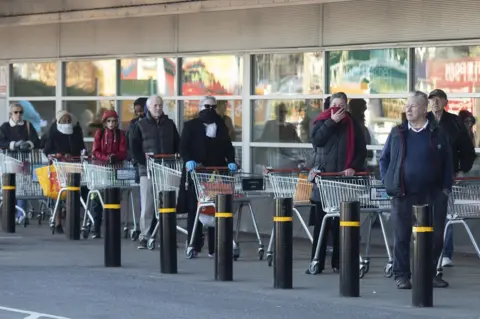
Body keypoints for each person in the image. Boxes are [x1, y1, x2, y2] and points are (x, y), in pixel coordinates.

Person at [380, 91, 453, 289]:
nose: (408, 109)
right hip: (403, 193)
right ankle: (402, 275)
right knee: (402, 236)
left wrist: (445, 189)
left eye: (413, 105)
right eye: (407, 105)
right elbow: (384, 159)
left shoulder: (437, 132)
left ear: (424, 108)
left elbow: (448, 162)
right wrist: (388, 182)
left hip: (434, 194)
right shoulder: (397, 132)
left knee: (436, 237)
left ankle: (428, 274)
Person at [307, 92, 367, 274]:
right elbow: (316, 141)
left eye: (342, 105)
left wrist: (354, 167)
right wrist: (331, 122)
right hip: (324, 180)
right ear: (329, 106)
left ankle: (339, 262)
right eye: (335, 105)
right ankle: (316, 261)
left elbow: (361, 150)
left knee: (342, 223)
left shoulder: (353, 125)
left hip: (343, 181)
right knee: (321, 223)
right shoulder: (321, 121)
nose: (338, 109)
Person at [179, 96, 237, 258]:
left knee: (214, 209)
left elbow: (228, 147)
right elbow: (183, 147)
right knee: (194, 209)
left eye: (213, 106)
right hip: (196, 172)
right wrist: (189, 160)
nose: (210, 109)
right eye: (207, 106)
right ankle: (194, 245)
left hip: (216, 172)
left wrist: (231, 161)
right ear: (200, 107)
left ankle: (214, 247)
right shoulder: (190, 126)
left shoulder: (221, 126)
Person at [427, 89, 476, 268]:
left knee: (446, 215)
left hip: (449, 176)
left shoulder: (454, 122)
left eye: (438, 99)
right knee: (427, 215)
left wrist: (462, 170)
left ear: (445, 102)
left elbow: (467, 150)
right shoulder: (424, 120)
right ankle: (427, 252)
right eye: (432, 99)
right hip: (427, 176)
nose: (435, 103)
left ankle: (445, 253)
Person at [130, 95, 180, 249]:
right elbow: (134, 148)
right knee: (148, 205)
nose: (158, 108)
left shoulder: (169, 124)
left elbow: (177, 143)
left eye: (160, 105)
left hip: (167, 168)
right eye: (155, 106)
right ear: (148, 108)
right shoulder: (140, 125)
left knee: (167, 204)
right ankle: (144, 236)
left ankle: (166, 235)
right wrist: (144, 162)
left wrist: (177, 155)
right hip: (148, 171)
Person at [43, 111, 87, 234]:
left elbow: (82, 148)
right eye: (64, 121)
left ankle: (70, 217)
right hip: (58, 168)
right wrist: (58, 155)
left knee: (74, 194)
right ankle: (58, 222)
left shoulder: (75, 134)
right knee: (58, 196)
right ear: (59, 121)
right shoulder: (53, 134)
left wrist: (75, 155)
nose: (67, 123)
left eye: (69, 121)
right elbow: (47, 151)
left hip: (73, 167)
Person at [0, 103, 41, 219]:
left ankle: (21, 213)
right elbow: (1, 142)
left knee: (24, 185)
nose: (18, 115)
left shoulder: (28, 125)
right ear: (11, 114)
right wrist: (13, 145)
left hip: (25, 160)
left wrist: (29, 144)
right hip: (9, 160)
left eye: (20, 112)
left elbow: (36, 141)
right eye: (16, 112)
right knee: (10, 185)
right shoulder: (5, 127)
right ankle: (10, 212)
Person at [91, 110, 127, 238]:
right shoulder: (100, 134)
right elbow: (95, 151)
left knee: (114, 199)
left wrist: (114, 157)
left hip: (115, 170)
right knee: (97, 199)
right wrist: (107, 158)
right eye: (109, 121)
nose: (111, 124)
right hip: (100, 170)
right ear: (105, 122)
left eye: (114, 121)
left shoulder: (121, 135)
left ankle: (112, 228)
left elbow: (123, 152)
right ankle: (96, 228)